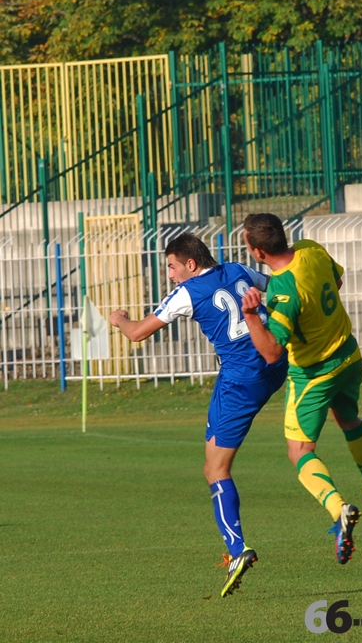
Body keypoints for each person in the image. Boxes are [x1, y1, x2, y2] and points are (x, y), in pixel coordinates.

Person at [109, 232, 287, 596]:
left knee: (214, 469)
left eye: (172, 267)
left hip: (241, 380)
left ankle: (237, 550)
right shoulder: (238, 268)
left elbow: (139, 334)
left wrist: (120, 320)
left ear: (190, 263)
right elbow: (277, 283)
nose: (170, 275)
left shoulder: (186, 292)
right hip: (276, 362)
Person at [240, 213, 362, 566]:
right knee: (349, 419)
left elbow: (273, 351)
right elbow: (336, 282)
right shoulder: (311, 249)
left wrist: (251, 314)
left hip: (314, 374)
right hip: (348, 355)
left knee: (300, 450)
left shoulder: (282, 290)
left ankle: (339, 510)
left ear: (258, 252)